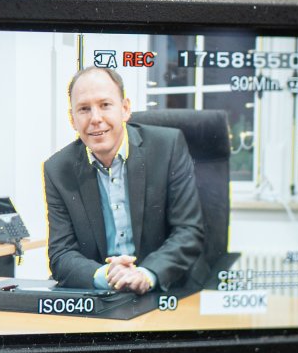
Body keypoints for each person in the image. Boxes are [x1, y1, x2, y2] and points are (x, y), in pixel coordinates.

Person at [42, 65, 204, 294]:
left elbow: (188, 231)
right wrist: (104, 275)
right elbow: (61, 254)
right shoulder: (58, 169)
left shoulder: (167, 147)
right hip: (101, 296)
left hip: (165, 291)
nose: (95, 118)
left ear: (125, 109)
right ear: (72, 119)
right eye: (84, 109)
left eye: (105, 105)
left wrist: (146, 274)